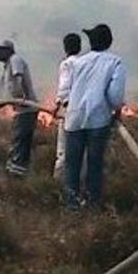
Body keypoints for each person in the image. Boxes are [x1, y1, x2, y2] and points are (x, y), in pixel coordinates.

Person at [63, 23, 126, 208]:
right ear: (109, 42)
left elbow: (69, 89)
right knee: (94, 165)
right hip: (98, 120)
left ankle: (71, 206)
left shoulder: (78, 62)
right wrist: (116, 110)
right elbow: (115, 96)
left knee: (72, 166)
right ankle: (92, 206)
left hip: (73, 119)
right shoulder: (115, 63)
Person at [0, 38, 39, 176]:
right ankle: (19, 170)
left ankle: (16, 172)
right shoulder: (7, 65)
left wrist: (19, 97)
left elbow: (18, 78)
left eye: (0, 50)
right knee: (21, 140)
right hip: (21, 109)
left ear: (8, 51)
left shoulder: (15, 60)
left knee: (20, 140)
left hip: (26, 109)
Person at [53, 32, 83, 178]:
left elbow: (64, 87)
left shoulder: (66, 64)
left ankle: (58, 183)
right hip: (84, 112)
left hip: (68, 110)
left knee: (63, 151)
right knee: (81, 150)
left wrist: (57, 104)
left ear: (65, 48)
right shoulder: (85, 63)